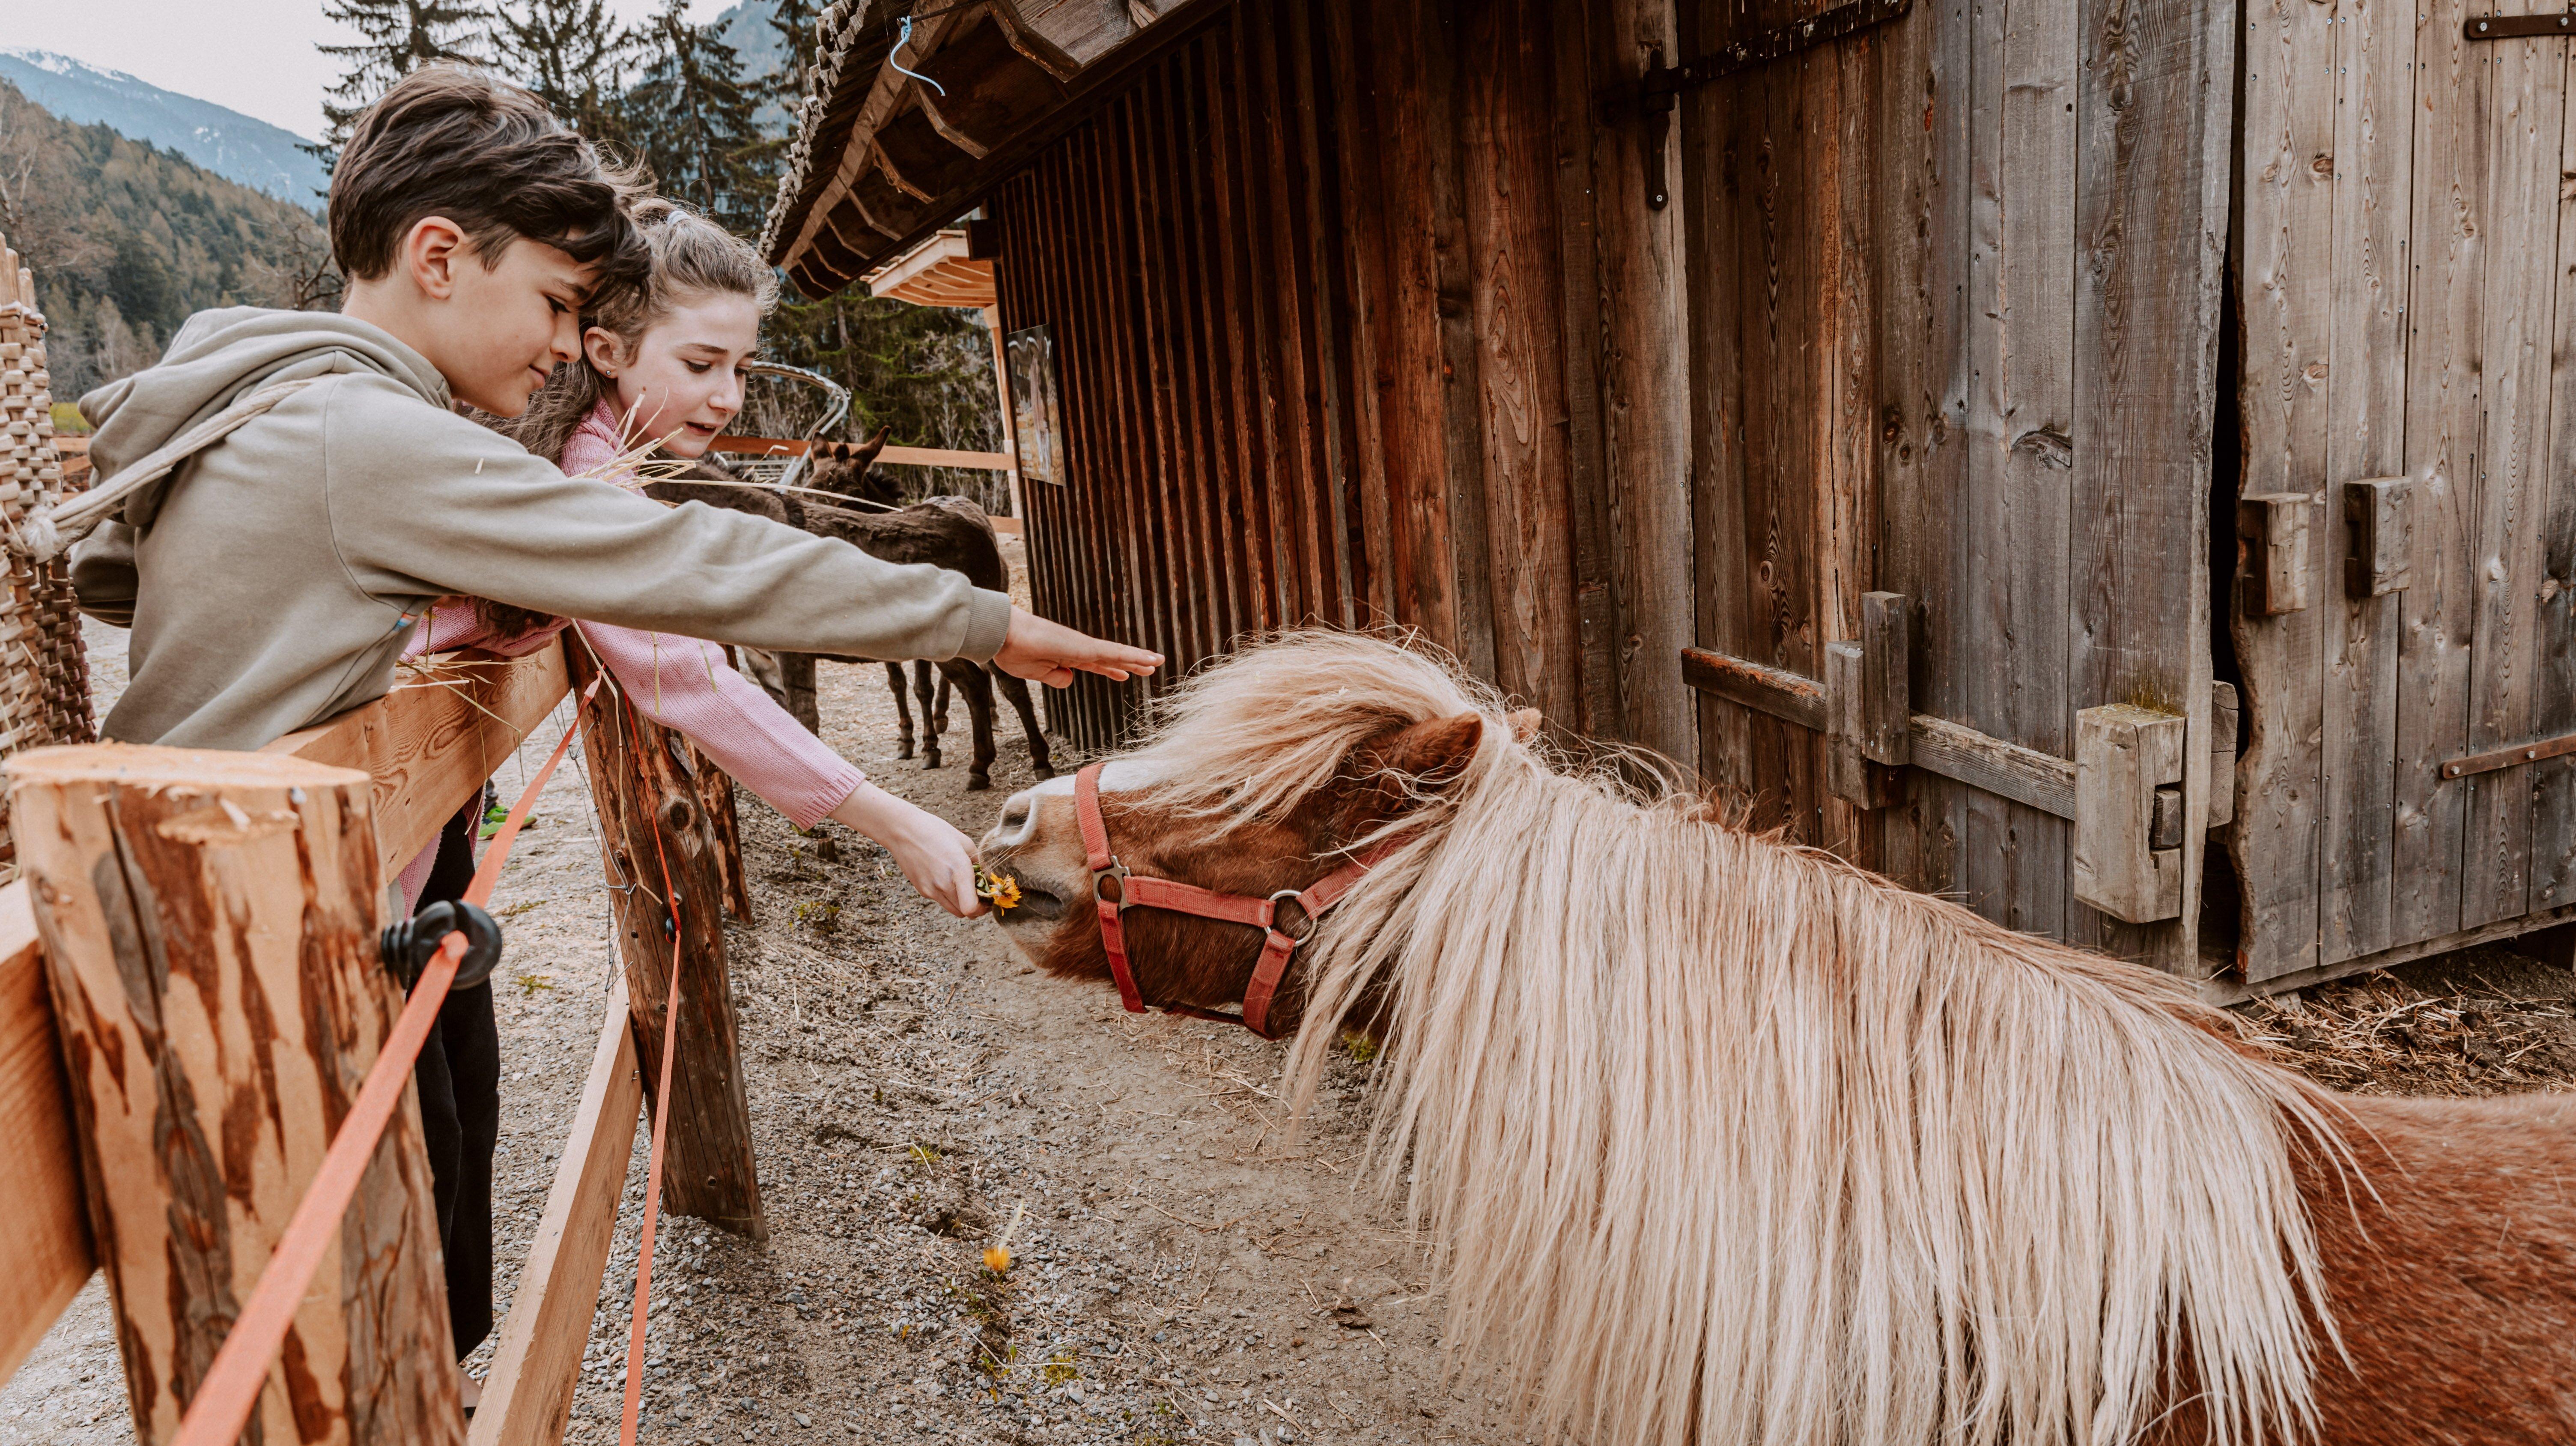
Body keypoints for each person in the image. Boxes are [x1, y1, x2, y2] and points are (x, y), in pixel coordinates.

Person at [67, 65, 1158, 1401]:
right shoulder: (365, 435)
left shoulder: (296, 408)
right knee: (340, 1349)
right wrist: (973, 622)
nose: (568, 339)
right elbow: (682, 564)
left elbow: (151, 591)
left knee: (413, 1266)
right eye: (557, 302)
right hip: (258, 971)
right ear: (438, 259)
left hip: (271, 928)